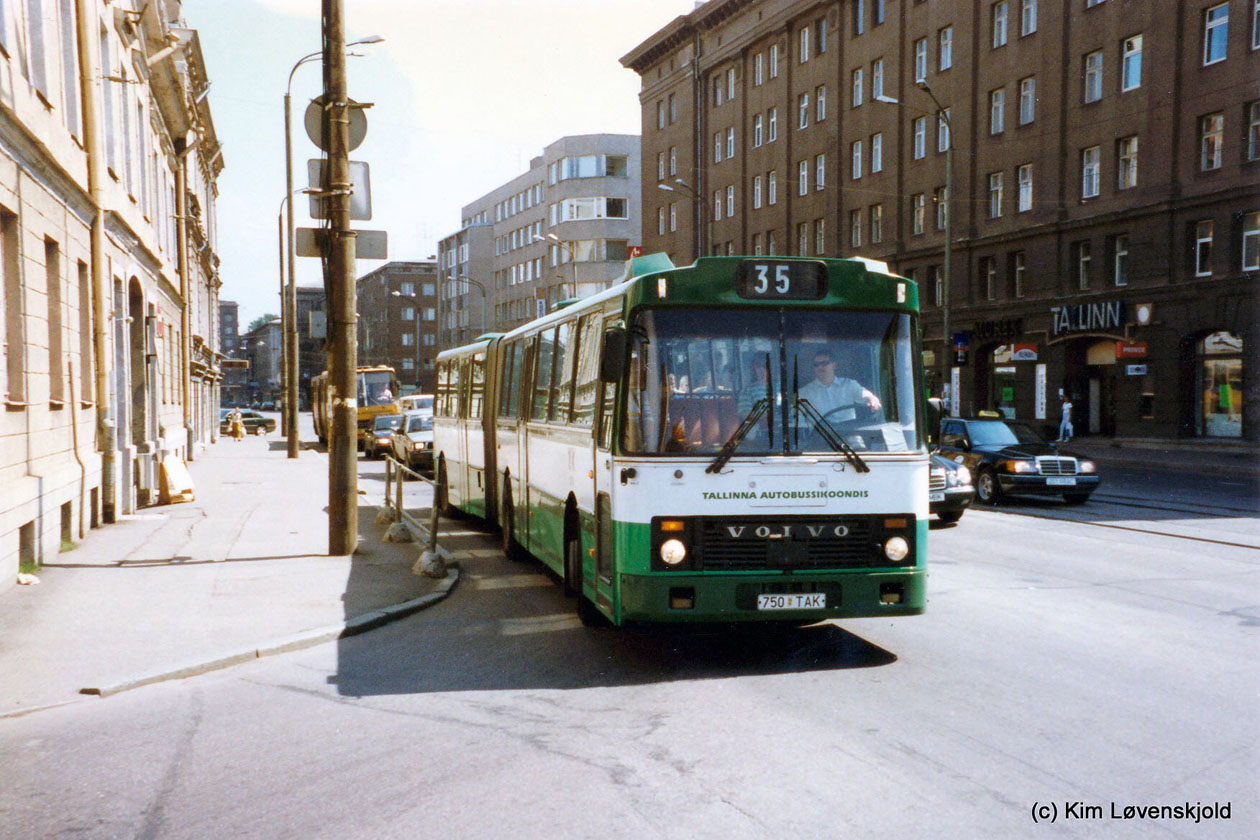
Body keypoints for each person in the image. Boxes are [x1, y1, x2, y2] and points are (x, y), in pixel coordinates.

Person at [799, 348, 881, 420]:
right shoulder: (804, 392)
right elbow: (797, 418)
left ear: (834, 365)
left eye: (824, 363)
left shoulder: (849, 385)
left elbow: (864, 395)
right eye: (816, 365)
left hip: (850, 434)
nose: (820, 367)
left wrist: (872, 399)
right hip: (821, 435)